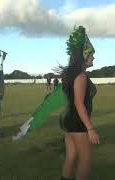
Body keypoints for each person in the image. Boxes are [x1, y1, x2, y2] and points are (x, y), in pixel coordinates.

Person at [59, 26, 99, 180]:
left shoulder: (72, 75)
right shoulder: (81, 76)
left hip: (69, 120)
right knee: (85, 160)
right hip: (78, 122)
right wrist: (90, 128)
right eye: (91, 55)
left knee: (72, 156)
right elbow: (79, 104)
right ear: (84, 56)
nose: (93, 58)